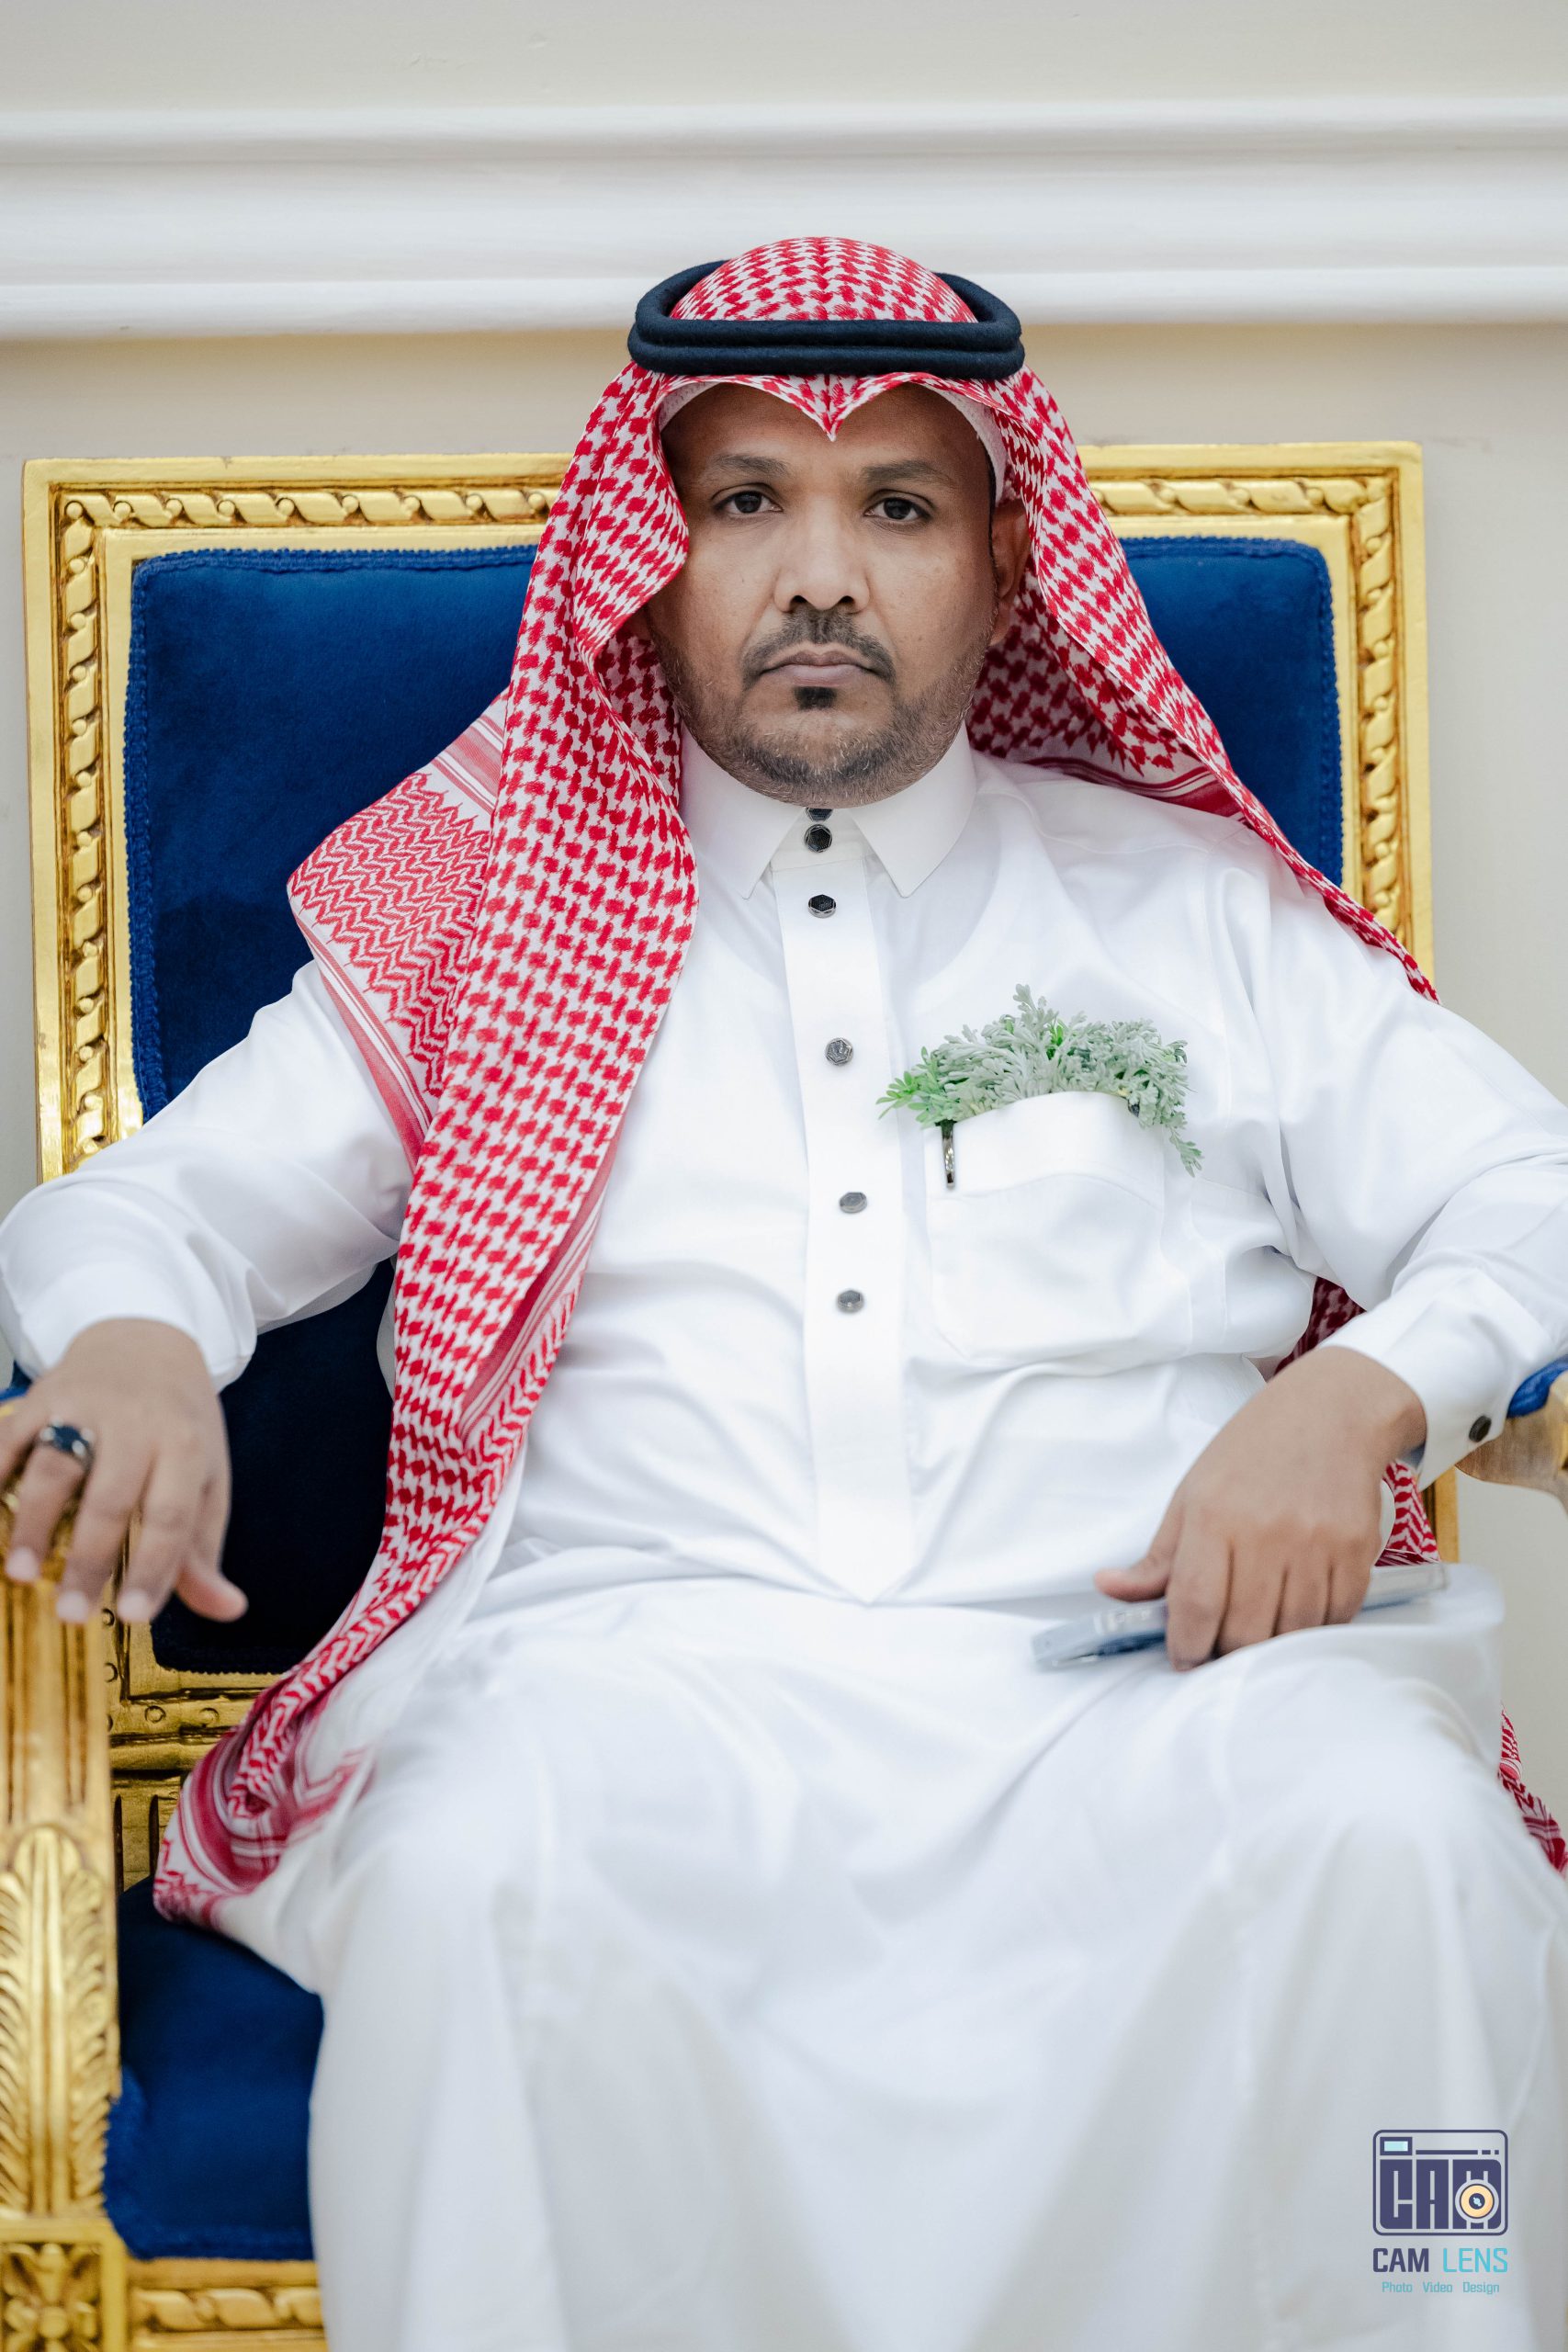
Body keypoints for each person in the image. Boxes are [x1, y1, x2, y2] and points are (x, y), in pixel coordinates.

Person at [2, 238, 1568, 2351]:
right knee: (470, 1870)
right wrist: (129, 1344)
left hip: (1151, 1699)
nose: (816, 573)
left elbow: (1527, 1191)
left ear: (1003, 572)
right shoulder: (491, 902)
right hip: (645, 1696)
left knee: (1398, 1839)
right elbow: (158, 1207)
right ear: (647, 560)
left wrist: (1356, 1392)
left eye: (895, 506)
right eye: (744, 499)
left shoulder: (1188, 909)